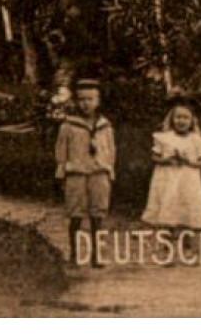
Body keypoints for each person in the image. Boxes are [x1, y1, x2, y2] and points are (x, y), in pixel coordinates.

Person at [55, 77, 116, 266]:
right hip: (77, 173)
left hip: (99, 173)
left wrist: (110, 169)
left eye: (90, 99)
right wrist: (62, 171)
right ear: (75, 101)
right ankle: (75, 254)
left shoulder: (105, 126)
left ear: (98, 101)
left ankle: (96, 255)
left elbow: (111, 149)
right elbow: (61, 150)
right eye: (82, 99)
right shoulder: (68, 126)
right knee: (76, 215)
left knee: (98, 215)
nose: (86, 103)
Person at [142, 98, 201, 250]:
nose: (181, 121)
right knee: (169, 203)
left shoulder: (197, 140)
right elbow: (155, 157)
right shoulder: (164, 137)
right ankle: (167, 238)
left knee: (187, 204)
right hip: (168, 178)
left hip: (188, 178)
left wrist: (188, 160)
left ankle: (187, 237)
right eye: (178, 117)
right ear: (172, 119)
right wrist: (166, 159)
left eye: (185, 117)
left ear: (192, 120)